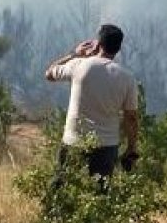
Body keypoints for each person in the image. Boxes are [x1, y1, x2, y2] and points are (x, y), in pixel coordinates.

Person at [44, 24, 139, 180]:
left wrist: (74, 54)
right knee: (100, 191)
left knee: (62, 187)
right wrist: (132, 147)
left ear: (98, 44)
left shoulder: (79, 65)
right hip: (106, 147)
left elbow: (49, 73)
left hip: (73, 141)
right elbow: (131, 118)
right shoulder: (128, 79)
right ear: (118, 49)